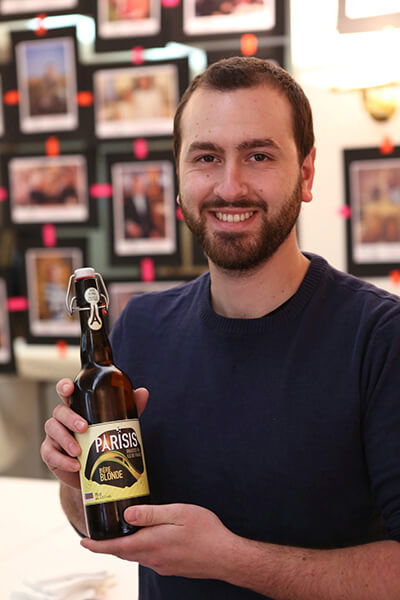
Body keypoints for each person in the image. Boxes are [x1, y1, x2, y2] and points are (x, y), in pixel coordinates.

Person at [41, 57, 400, 599]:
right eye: (207, 157)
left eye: (258, 155)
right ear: (180, 182)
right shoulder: (139, 327)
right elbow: (99, 524)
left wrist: (232, 560)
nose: (230, 187)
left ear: (305, 174)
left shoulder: (380, 338)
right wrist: (76, 482)